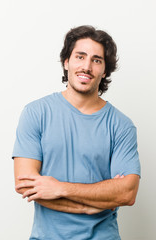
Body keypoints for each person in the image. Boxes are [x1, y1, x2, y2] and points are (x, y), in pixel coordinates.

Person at [12, 25, 141, 240]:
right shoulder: (36, 113)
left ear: (105, 70)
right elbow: (26, 184)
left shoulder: (121, 125)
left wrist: (59, 188)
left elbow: (127, 193)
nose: (87, 66)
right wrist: (92, 204)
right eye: (80, 57)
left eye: (96, 60)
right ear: (66, 62)